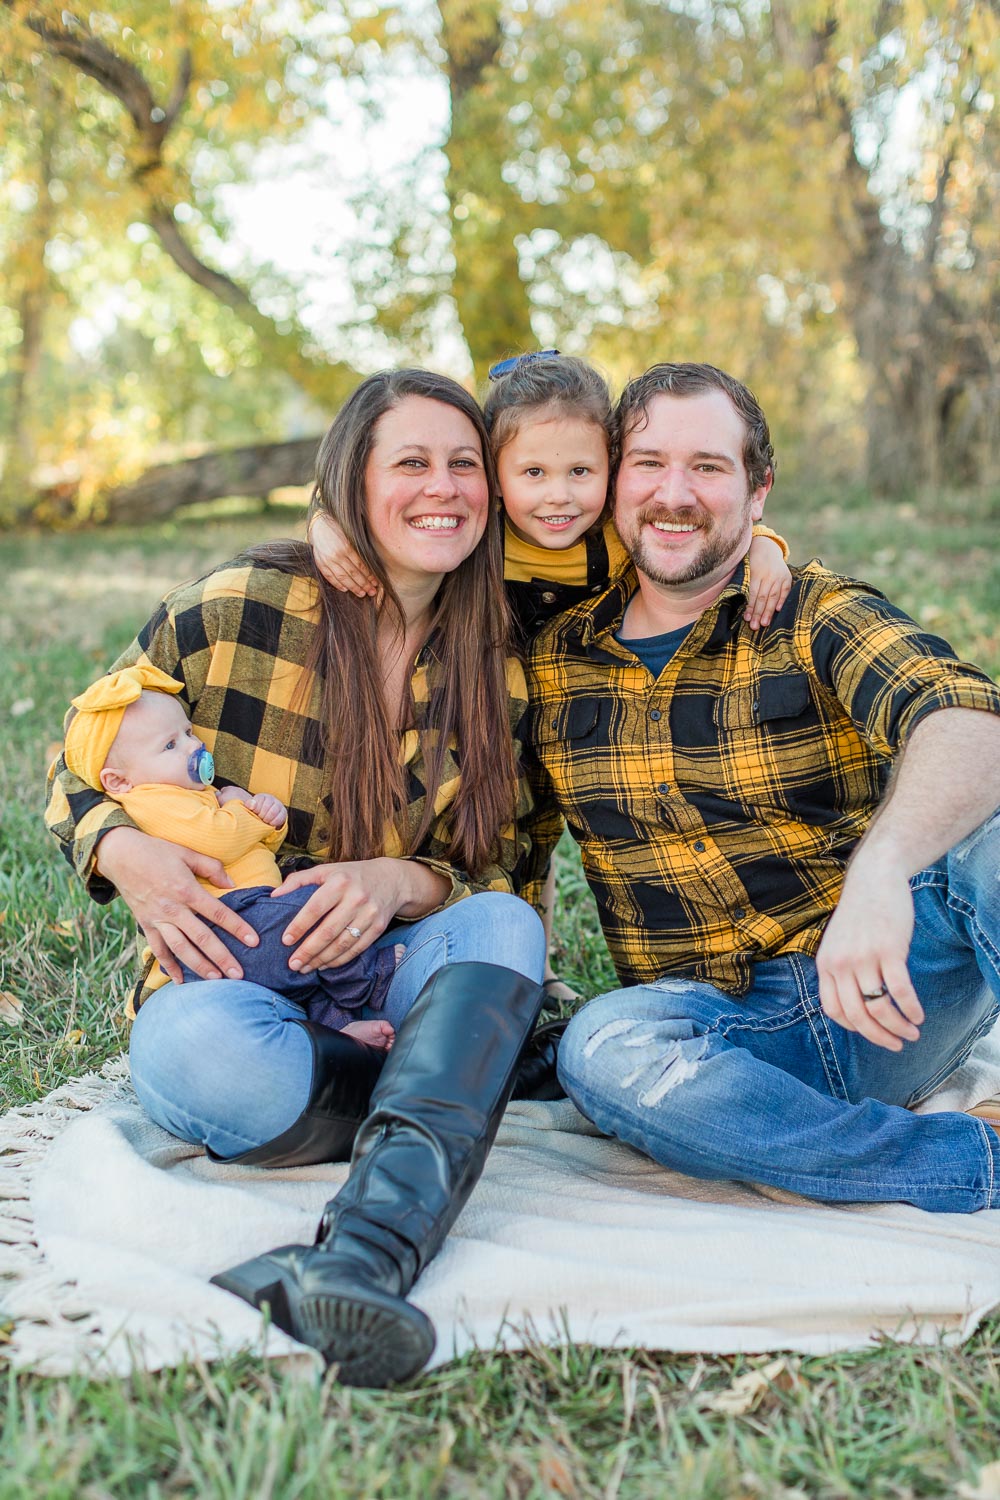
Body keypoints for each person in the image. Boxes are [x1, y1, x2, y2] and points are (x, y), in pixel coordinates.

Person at [45, 368, 549, 1386]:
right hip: (240, 984)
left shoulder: (502, 659)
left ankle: (358, 1259)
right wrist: (118, 847)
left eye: (463, 465)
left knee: (502, 928)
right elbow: (84, 752)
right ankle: (449, 1082)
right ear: (349, 483)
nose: (441, 487)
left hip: (397, 967)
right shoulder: (239, 610)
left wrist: (396, 883)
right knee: (191, 1060)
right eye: (408, 462)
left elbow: (500, 871)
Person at [525, 360, 1000, 1214]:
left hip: (890, 989)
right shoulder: (551, 655)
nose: (675, 493)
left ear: (758, 490)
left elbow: (967, 717)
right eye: (649, 463)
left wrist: (882, 869)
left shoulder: (815, 612)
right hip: (720, 1041)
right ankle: (969, 1161)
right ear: (611, 483)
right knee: (600, 1047)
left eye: (708, 466)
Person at [309, 351, 793, 1001]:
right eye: (533, 472)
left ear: (613, 471)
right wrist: (323, 525)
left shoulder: (615, 537)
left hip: (586, 697)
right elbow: (355, 503)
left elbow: (707, 529)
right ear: (497, 476)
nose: (559, 495)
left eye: (582, 472)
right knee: (511, 827)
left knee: (568, 824)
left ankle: (546, 956)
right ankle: (521, 960)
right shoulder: (483, 531)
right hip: (494, 693)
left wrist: (768, 548)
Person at [62, 664, 399, 1044]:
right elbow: (219, 838)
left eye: (188, 733)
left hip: (249, 920)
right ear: (119, 781)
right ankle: (373, 975)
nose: (194, 746)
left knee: (303, 960)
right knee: (312, 908)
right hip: (226, 924)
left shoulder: (188, 793)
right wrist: (245, 809)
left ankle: (337, 1034)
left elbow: (255, 844)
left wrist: (263, 816)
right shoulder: (149, 802)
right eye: (170, 745)